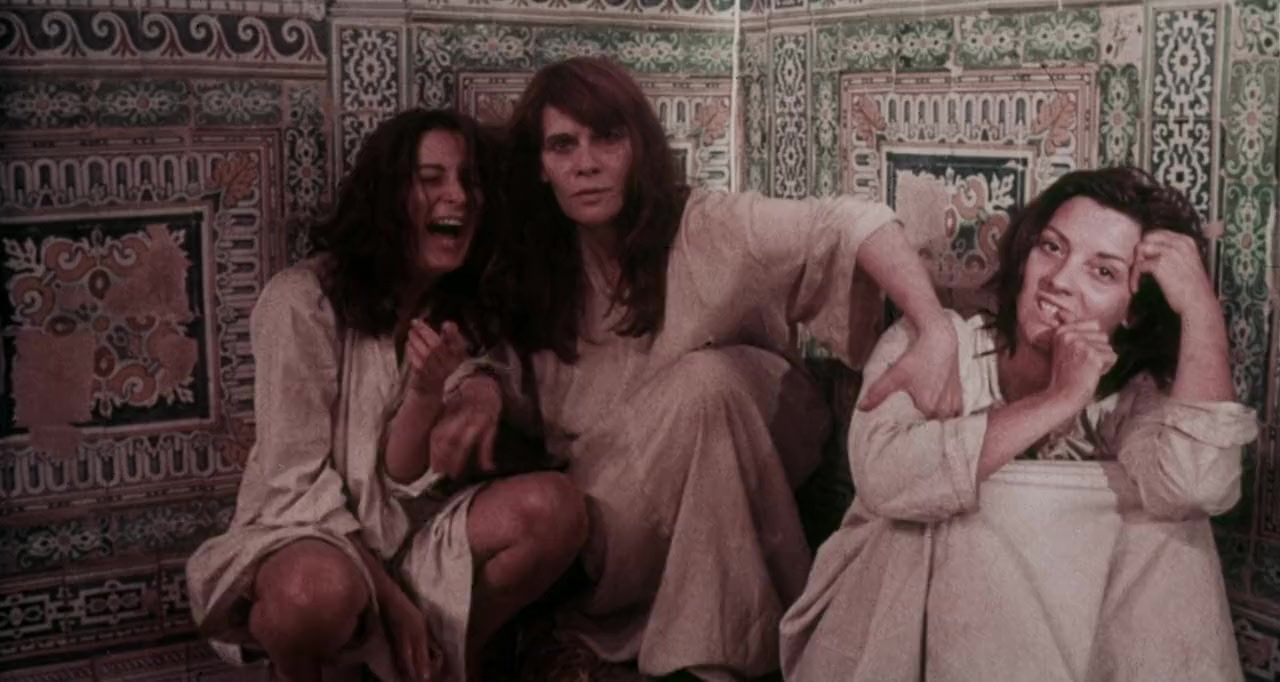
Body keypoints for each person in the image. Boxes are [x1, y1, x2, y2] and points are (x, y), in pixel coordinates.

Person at [479, 55, 963, 680]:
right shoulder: (535, 267)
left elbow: (852, 222)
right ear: (540, 165)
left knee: (705, 387)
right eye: (563, 145)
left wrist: (935, 329)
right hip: (616, 507)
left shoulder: (703, 225)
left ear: (638, 148)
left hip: (758, 431)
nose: (586, 163)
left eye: (608, 138)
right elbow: (504, 393)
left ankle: (709, 661)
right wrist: (481, 393)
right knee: (690, 412)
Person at [779, 166, 1259, 681]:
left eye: (1102, 272)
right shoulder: (937, 345)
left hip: (1051, 648)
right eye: (1051, 248)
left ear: (1133, 313)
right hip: (881, 624)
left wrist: (1201, 311)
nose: (1059, 280)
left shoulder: (1128, 395)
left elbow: (1198, 487)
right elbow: (884, 478)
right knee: (978, 517)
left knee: (1174, 525)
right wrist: (1057, 400)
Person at [185, 108, 588, 682]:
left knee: (557, 509)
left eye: (469, 181)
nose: (458, 196)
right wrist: (394, 605)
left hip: (414, 537)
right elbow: (293, 486)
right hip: (308, 535)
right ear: (386, 197)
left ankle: (431, 663)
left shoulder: (458, 305)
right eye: (431, 179)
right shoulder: (300, 302)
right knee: (311, 596)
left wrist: (469, 390)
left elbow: (404, 474)